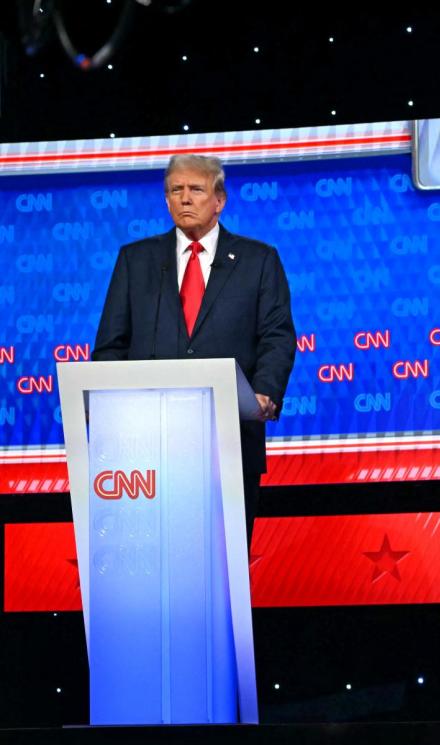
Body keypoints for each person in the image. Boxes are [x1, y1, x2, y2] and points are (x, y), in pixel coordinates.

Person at [93, 154, 296, 542]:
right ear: (166, 200)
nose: (185, 199)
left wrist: (264, 392)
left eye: (196, 190)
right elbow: (110, 346)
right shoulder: (135, 260)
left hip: (230, 440)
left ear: (219, 200)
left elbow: (277, 335)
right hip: (146, 448)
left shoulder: (258, 259)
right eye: (176, 190)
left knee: (225, 561)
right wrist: (113, 411)